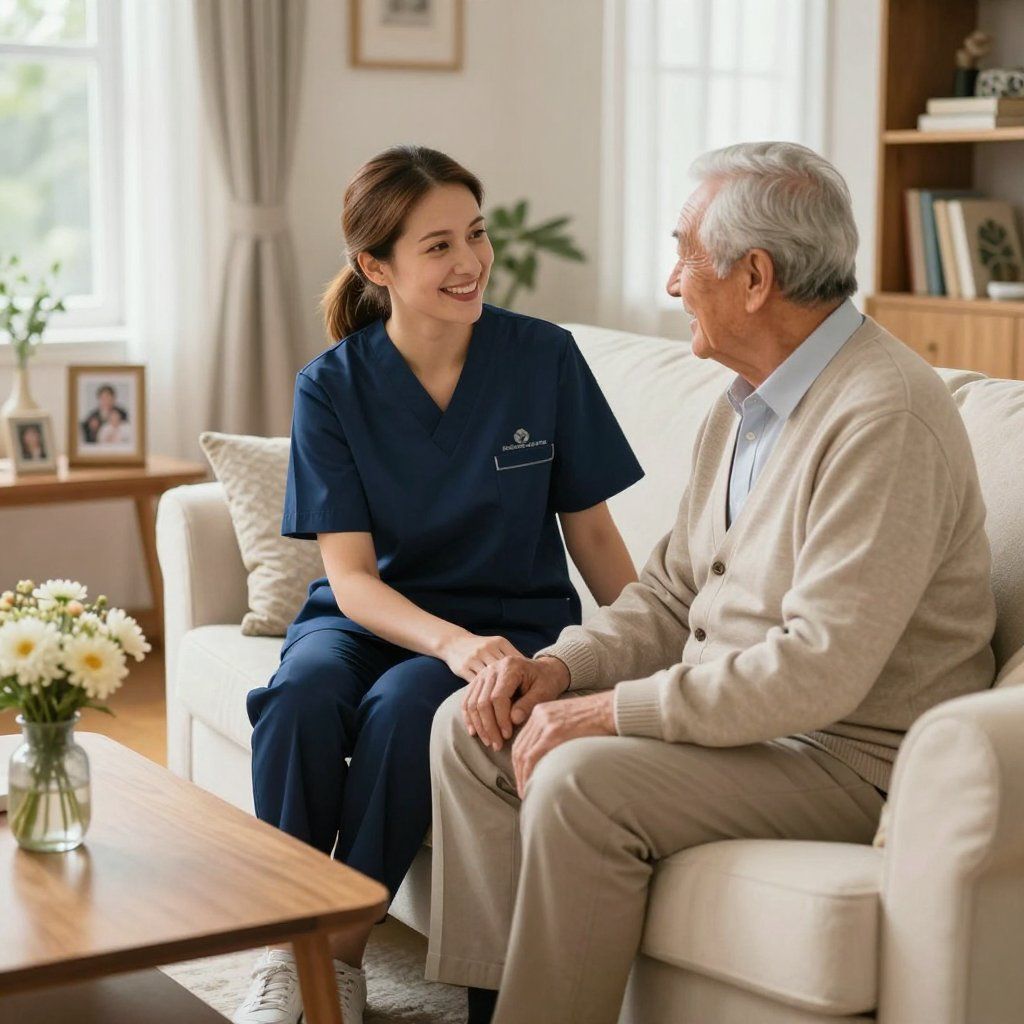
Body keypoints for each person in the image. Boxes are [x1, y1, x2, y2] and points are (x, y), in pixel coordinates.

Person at [426, 141, 998, 1024]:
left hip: (846, 757)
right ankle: (496, 1004)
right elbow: (664, 598)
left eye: (685, 253)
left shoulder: (884, 416)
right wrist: (560, 673)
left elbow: (818, 671)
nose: (670, 282)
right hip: (743, 732)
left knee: (582, 781)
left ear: (755, 278)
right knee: (471, 728)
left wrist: (607, 711)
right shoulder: (744, 402)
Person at [234, 145, 644, 1024]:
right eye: (438, 246)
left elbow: (596, 533)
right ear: (374, 266)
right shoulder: (332, 387)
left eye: (477, 235)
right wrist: (451, 642)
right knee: (300, 697)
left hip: (508, 618)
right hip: (375, 616)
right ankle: (282, 944)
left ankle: (336, 954)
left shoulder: (544, 358)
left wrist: (656, 644)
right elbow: (347, 576)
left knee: (404, 713)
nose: (471, 263)